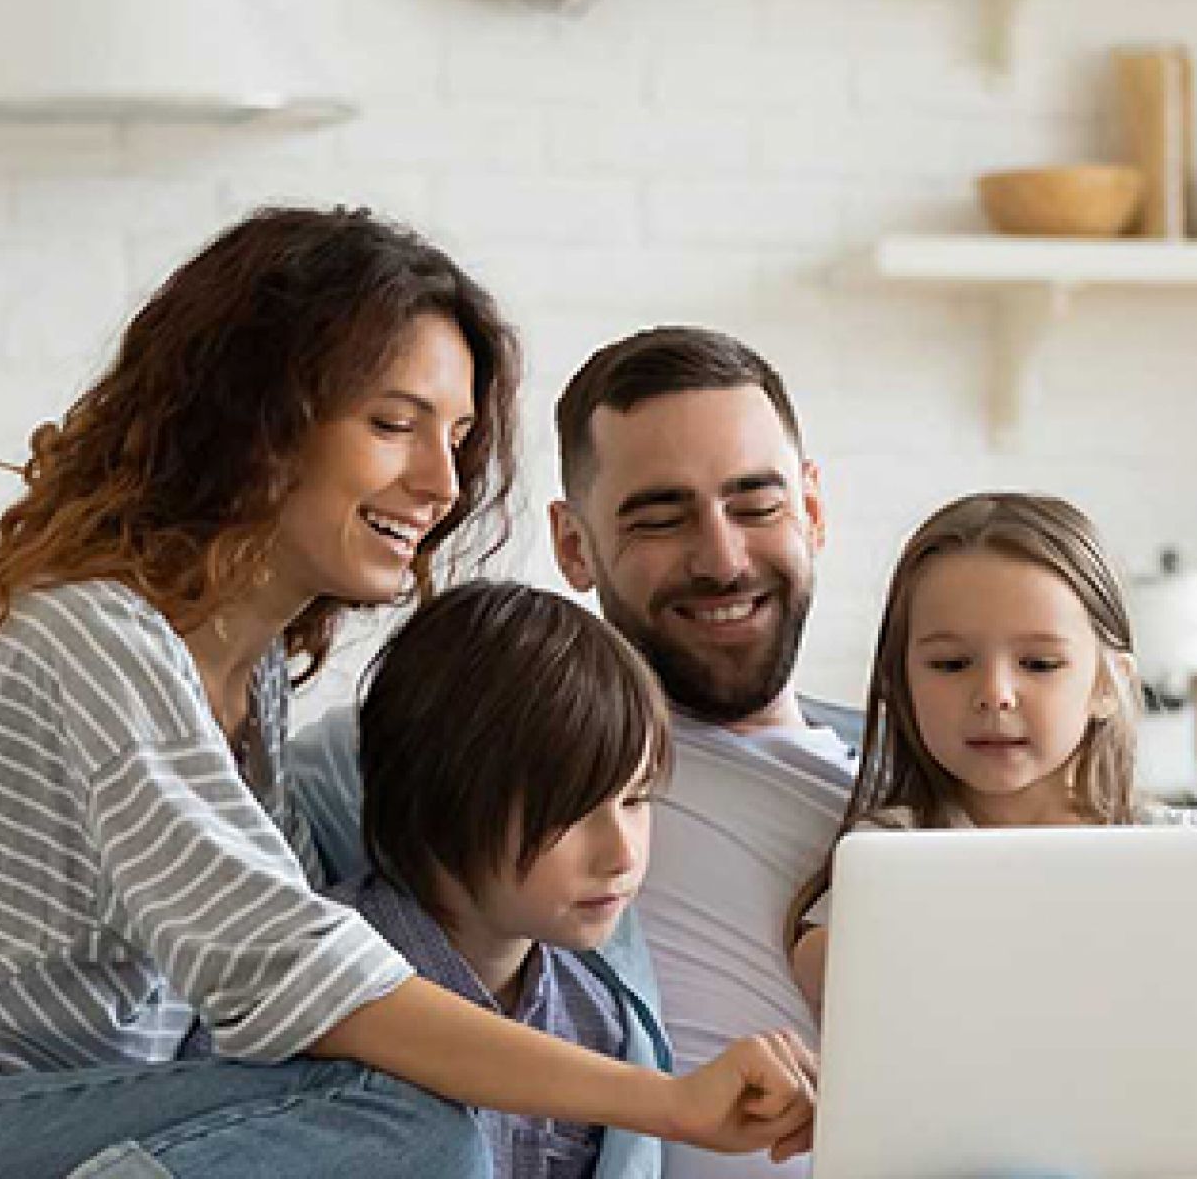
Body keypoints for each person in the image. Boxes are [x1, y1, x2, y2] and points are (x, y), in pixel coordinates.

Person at [0, 210, 817, 1179]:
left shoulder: (250, 683)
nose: (441, 486)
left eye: (454, 438)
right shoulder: (92, 635)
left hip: (33, 1119)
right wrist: (669, 1102)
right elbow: (290, 966)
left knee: (399, 1123)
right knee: (410, 1132)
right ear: (258, 420)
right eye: (395, 425)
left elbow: (363, 866)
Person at [291, 325, 859, 1179]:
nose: (722, 557)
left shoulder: (910, 769)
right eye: (660, 518)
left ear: (812, 509)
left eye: (757, 505)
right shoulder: (457, 738)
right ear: (573, 546)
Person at [787, 491, 1197, 1173]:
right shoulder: (892, 853)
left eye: (1040, 664)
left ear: (1109, 684)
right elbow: (822, 969)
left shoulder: (1183, 853)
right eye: (950, 664)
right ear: (902, 686)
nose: (995, 693)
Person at [331, 578, 675, 1178]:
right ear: (442, 800)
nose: (623, 854)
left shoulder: (597, 1019)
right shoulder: (317, 982)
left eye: (637, 800)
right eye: (571, 813)